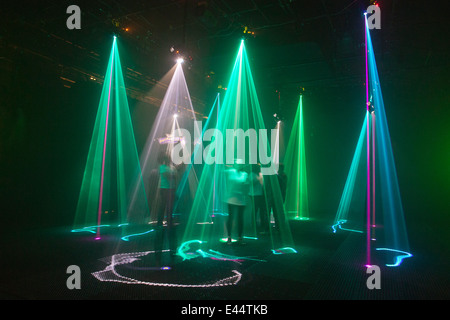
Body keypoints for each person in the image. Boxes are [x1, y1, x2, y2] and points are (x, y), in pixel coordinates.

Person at [224, 159, 249, 244]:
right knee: (231, 218)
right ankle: (229, 237)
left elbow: (244, 185)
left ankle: (239, 238)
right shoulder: (231, 171)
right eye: (237, 164)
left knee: (240, 219)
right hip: (231, 199)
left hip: (241, 199)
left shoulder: (244, 174)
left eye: (240, 164)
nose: (239, 165)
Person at [249, 164, 269, 234]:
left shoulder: (260, 174)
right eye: (259, 167)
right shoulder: (252, 174)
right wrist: (259, 178)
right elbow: (252, 183)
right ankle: (254, 224)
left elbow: (263, 184)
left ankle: (261, 224)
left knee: (261, 210)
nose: (260, 168)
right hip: (254, 194)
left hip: (260, 194)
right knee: (255, 210)